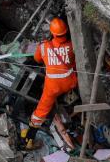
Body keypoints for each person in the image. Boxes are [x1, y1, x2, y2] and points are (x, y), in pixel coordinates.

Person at [20, 18, 78, 150]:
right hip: (71, 83)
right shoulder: (71, 46)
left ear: (52, 33)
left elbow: (36, 59)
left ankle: (29, 137)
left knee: (41, 110)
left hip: (53, 88)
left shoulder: (44, 46)